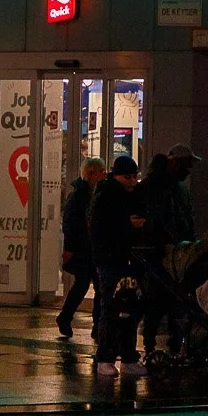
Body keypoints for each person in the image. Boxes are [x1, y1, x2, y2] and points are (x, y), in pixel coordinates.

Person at [89, 155, 150, 375]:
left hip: (128, 259)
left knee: (131, 307)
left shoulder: (130, 196)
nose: (133, 181)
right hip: (111, 260)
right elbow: (100, 229)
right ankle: (106, 357)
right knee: (112, 307)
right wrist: (127, 224)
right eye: (128, 177)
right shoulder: (106, 197)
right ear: (116, 176)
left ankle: (127, 356)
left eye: (135, 177)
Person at [56, 157, 105, 338]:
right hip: (83, 248)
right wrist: (69, 248)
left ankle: (92, 323)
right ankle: (69, 317)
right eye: (101, 172)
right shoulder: (79, 196)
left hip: (91, 248)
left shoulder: (93, 193)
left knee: (92, 285)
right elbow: (71, 223)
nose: (104, 175)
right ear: (92, 174)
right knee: (86, 284)